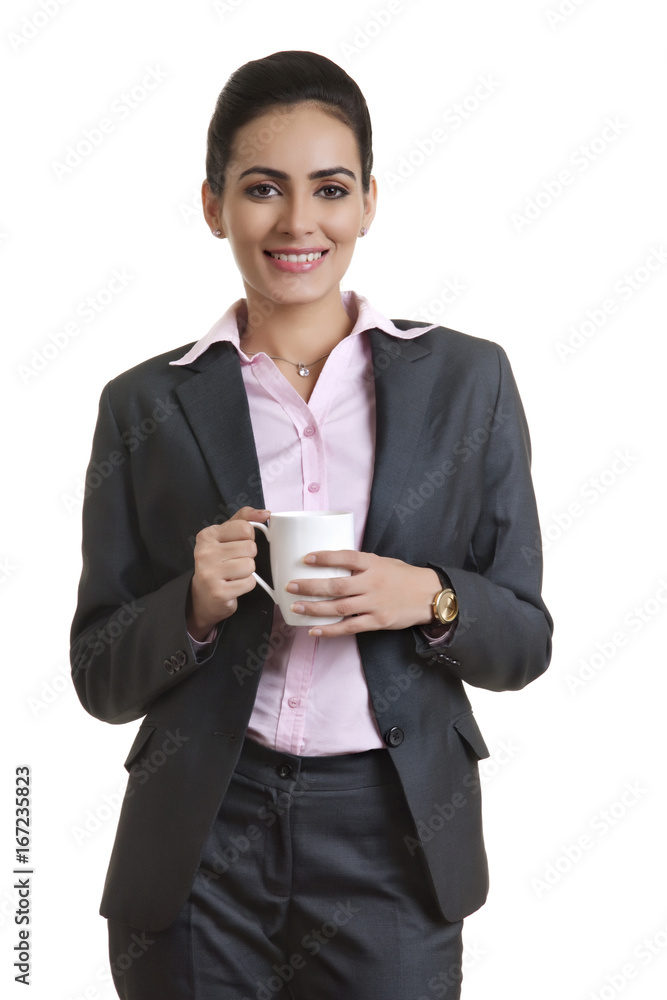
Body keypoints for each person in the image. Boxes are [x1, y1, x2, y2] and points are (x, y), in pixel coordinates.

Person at [70, 49, 553, 1000]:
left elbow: (524, 642)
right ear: (213, 205)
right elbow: (98, 673)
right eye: (262, 189)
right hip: (202, 834)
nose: (298, 222)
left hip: (394, 828)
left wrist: (431, 597)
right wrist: (194, 607)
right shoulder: (143, 405)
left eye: (329, 188)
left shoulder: (468, 381)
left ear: (368, 201)